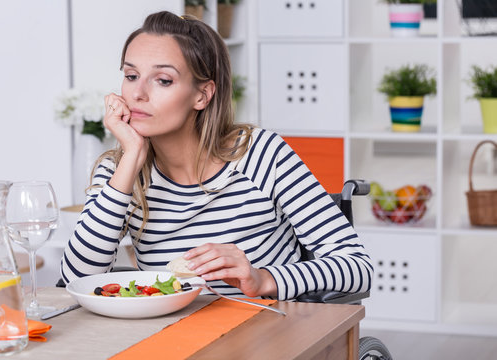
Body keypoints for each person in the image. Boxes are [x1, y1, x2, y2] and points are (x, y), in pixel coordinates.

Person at [60, 11, 373, 300]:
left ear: (202, 95)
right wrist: (131, 158)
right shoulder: (120, 171)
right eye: (131, 76)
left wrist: (263, 278)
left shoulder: (262, 155)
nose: (138, 93)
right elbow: (77, 278)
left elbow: (358, 268)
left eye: (163, 80)